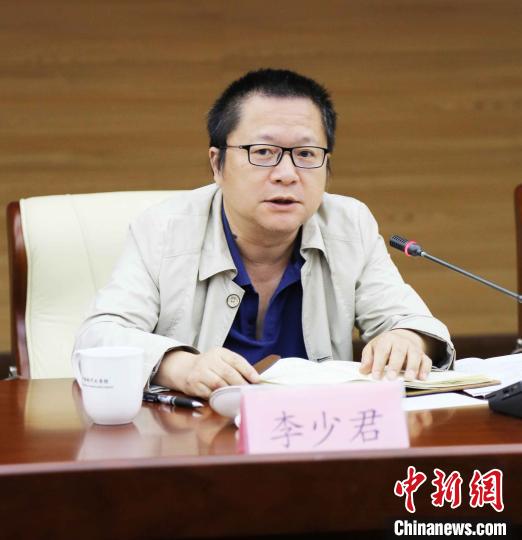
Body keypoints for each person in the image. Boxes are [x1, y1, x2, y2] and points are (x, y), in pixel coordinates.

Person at [74, 68, 454, 398]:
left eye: (306, 154)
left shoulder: (349, 224)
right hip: (196, 437)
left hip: (316, 435)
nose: (287, 174)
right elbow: (98, 337)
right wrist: (180, 366)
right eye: (263, 152)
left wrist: (408, 340)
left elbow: (410, 321)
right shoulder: (163, 229)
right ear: (217, 164)